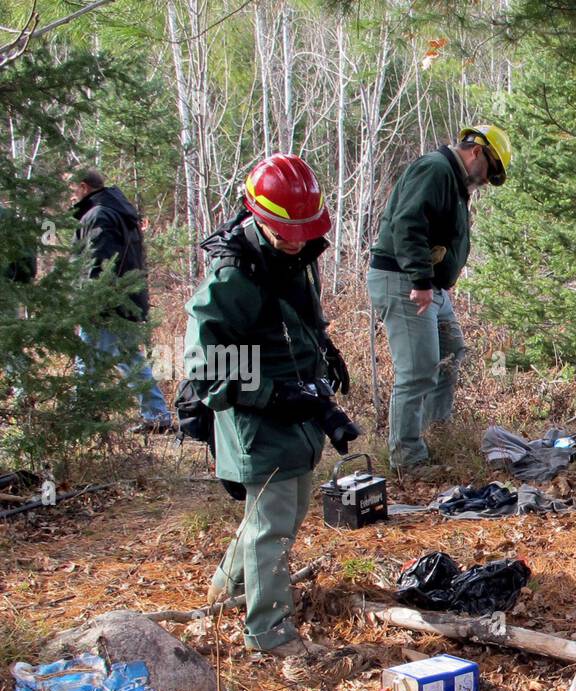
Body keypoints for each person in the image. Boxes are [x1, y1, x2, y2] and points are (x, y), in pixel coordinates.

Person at [183, 154, 359, 658]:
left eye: (306, 230)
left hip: (296, 407)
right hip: (256, 417)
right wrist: (272, 393)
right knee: (273, 523)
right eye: (288, 230)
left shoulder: (292, 256)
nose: (299, 240)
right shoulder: (232, 276)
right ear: (258, 216)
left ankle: (226, 585)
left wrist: (324, 352)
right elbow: (206, 364)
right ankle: (270, 632)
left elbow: (296, 319)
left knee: (286, 508)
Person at [367, 123, 510, 480]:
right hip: (405, 281)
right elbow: (407, 223)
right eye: (489, 170)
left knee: (450, 350)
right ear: (476, 151)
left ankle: (436, 430)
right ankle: (407, 459)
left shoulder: (453, 180)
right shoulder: (435, 169)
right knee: (418, 368)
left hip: (429, 285)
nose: (486, 180)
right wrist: (420, 279)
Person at [70, 168, 174, 434]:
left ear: (83, 187)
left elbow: (98, 264)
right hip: (124, 301)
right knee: (127, 359)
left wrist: (89, 303)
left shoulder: (99, 215)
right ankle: (156, 415)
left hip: (106, 304)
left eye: (71, 189)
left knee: (88, 359)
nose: (69, 196)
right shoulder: (116, 211)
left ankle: (82, 417)